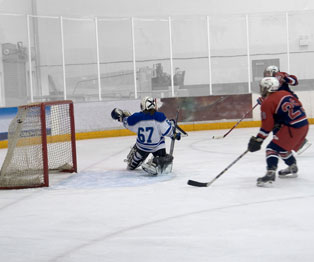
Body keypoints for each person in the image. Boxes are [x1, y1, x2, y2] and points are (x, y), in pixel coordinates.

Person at [248, 77, 309, 187]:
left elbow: (267, 126)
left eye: (263, 87)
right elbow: (297, 105)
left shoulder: (267, 103)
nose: (261, 89)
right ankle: (292, 167)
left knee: (272, 148)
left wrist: (259, 140)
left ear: (268, 88)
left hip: (292, 128)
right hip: (303, 124)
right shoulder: (285, 93)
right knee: (282, 148)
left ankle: (270, 174)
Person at [111, 96, 181, 175]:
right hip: (157, 146)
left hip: (142, 147)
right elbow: (168, 131)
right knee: (163, 157)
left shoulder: (136, 117)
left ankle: (137, 160)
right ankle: (156, 162)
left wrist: (122, 117)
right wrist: (174, 134)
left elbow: (126, 122)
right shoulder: (159, 116)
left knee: (131, 167)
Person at [257, 65, 311, 154]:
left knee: (283, 124)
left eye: (268, 72)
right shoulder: (268, 81)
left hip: (288, 103)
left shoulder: (281, 75)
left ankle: (288, 145)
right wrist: (263, 99)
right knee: (277, 125)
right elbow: (270, 95)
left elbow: (295, 81)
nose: (266, 74)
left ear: (273, 72)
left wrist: (285, 78)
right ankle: (283, 145)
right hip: (279, 105)